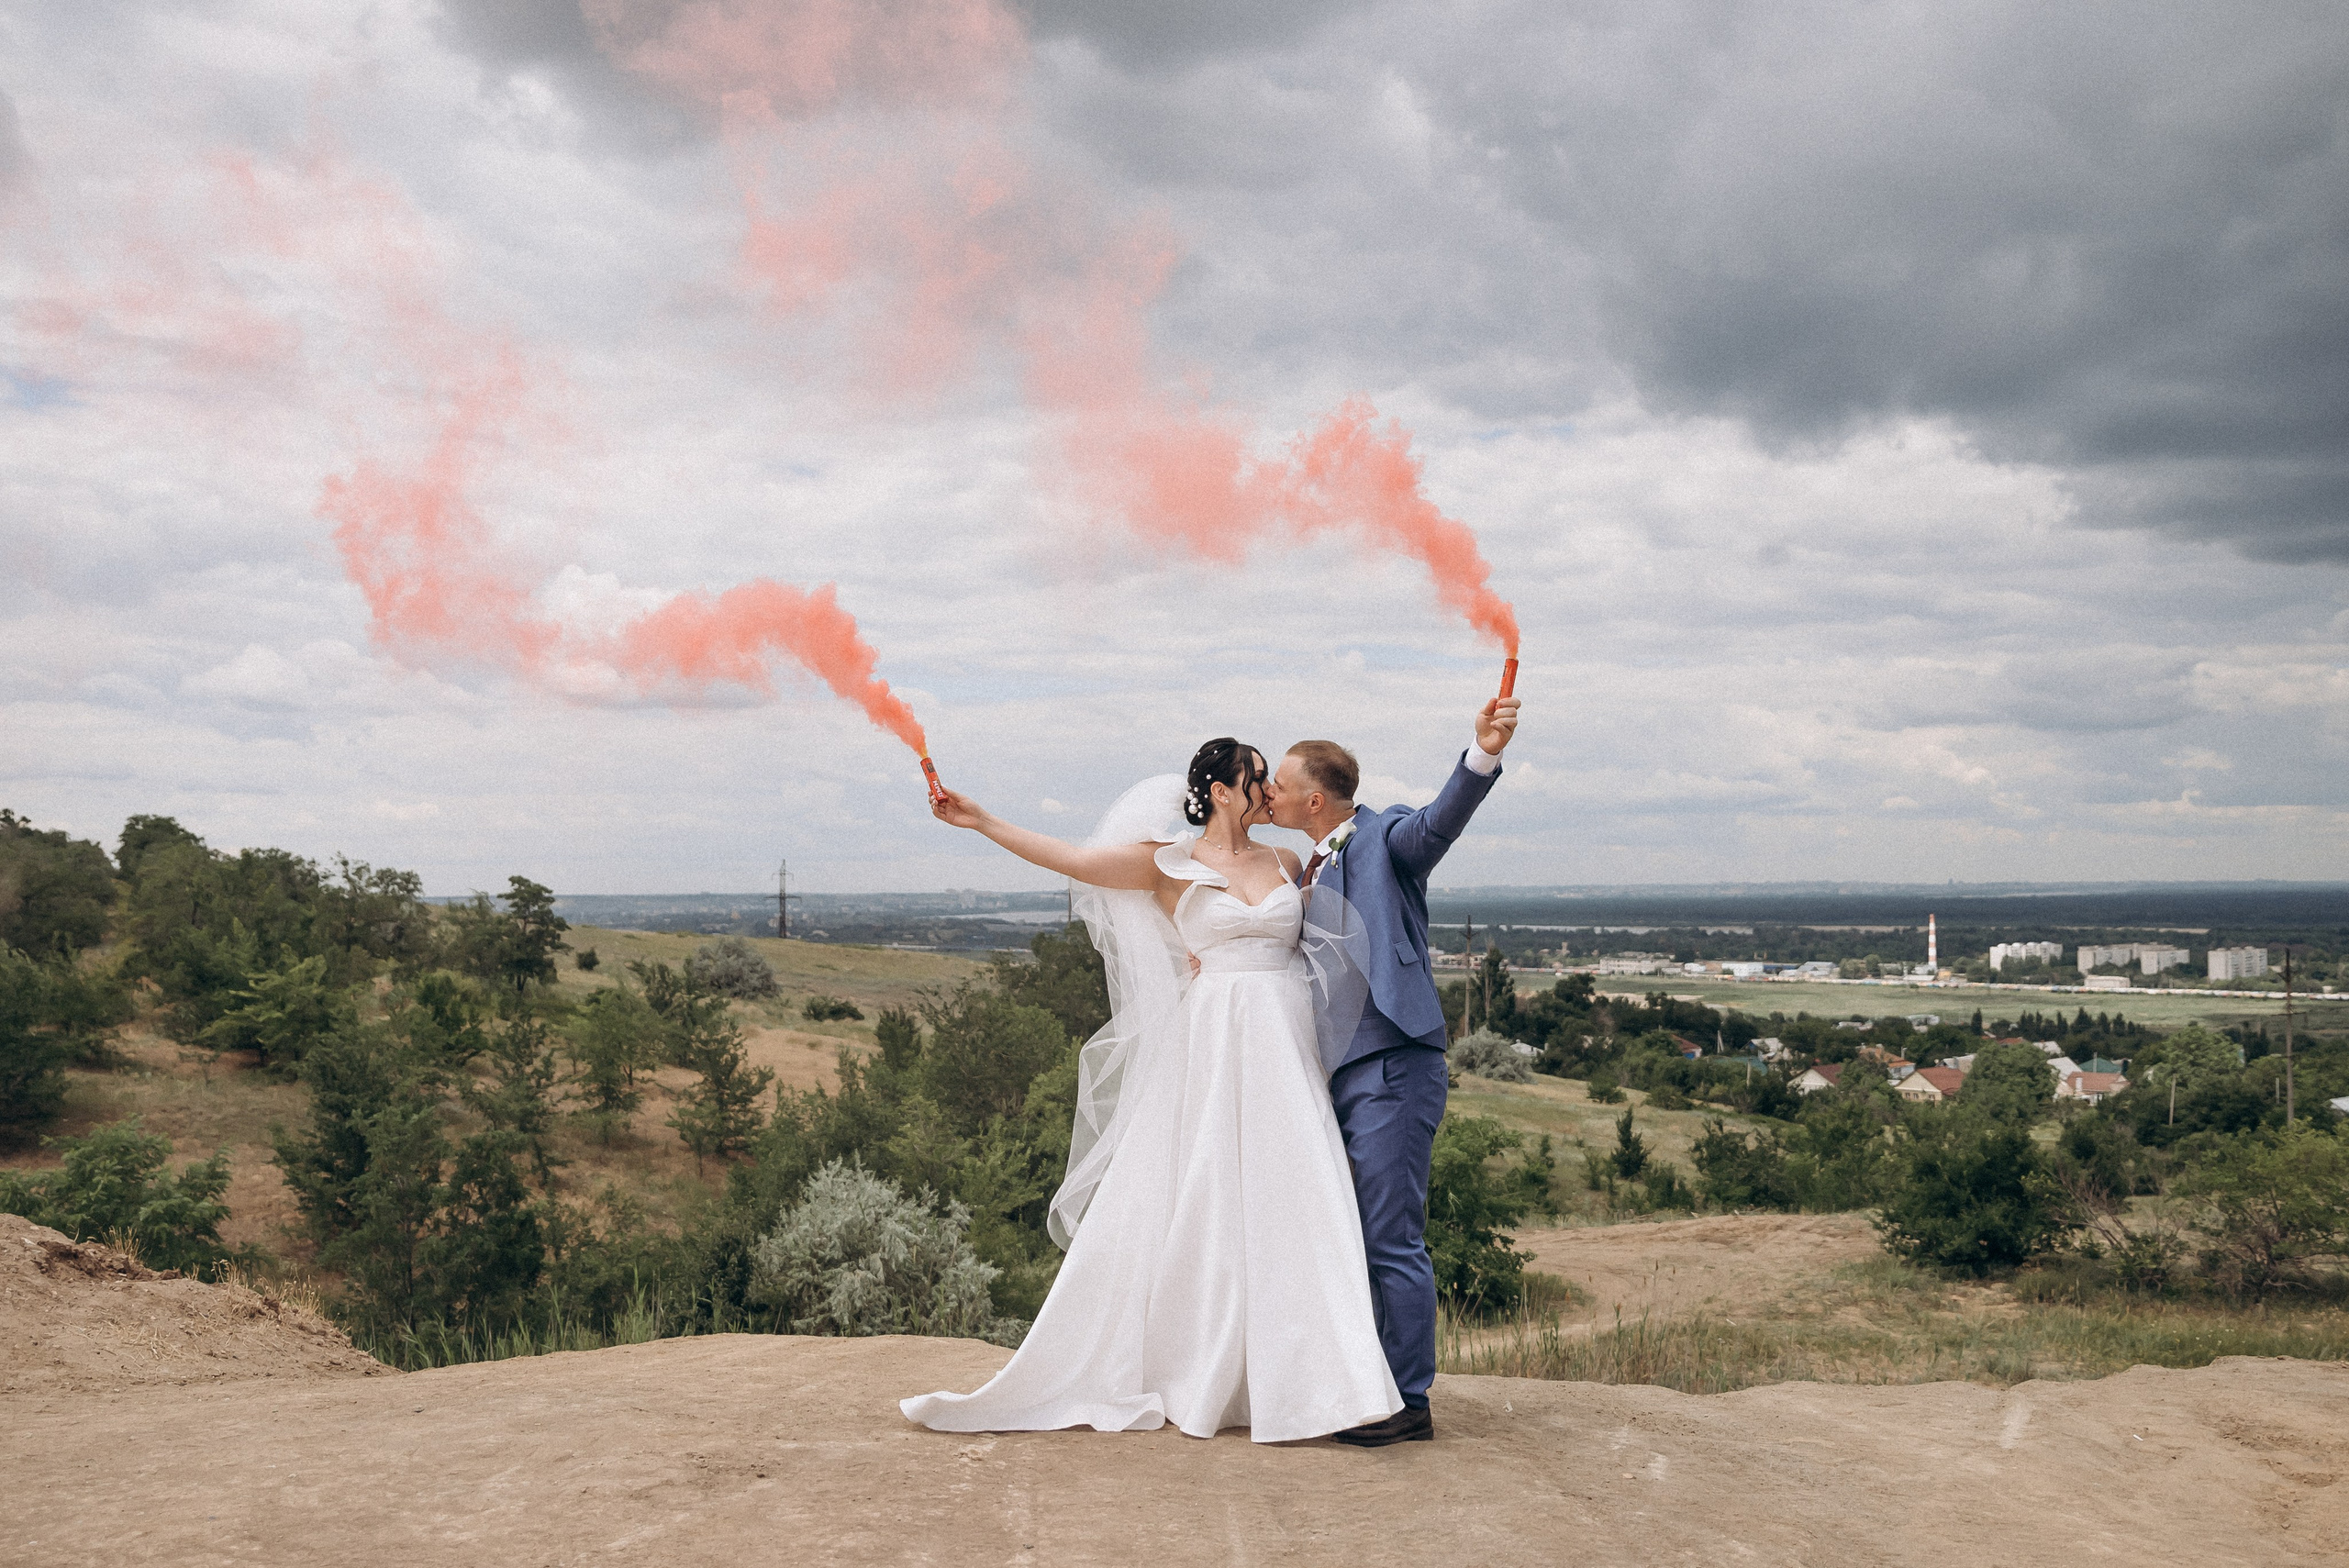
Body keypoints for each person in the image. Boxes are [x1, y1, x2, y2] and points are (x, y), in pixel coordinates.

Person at [899, 738, 1402, 1442]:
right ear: (1221, 791)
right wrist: (983, 820)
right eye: (1255, 777)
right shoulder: (1167, 864)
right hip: (1214, 1044)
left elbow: (1340, 929)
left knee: (1300, 1195)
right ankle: (1201, 1367)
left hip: (1286, 1048)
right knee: (1210, 1194)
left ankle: (1324, 1381)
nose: (1266, 789)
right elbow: (1072, 861)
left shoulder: (1289, 861)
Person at [1265, 692, 1520, 1446]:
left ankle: (1409, 1400)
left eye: (1277, 785)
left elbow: (1440, 821)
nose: (1269, 795)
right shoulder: (1295, 865)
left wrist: (1482, 754)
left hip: (1393, 1067)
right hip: (1330, 1073)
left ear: (1315, 797)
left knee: (1389, 1237)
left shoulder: (1383, 838)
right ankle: (1358, 1378)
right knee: (1342, 1234)